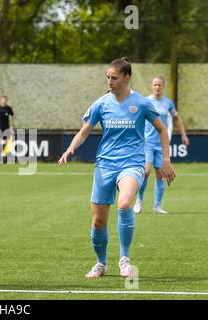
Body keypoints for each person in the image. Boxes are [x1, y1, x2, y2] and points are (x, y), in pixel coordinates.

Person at [58, 58, 175, 278]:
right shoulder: (102, 103)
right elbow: (85, 130)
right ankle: (101, 263)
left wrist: (166, 160)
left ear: (126, 77)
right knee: (98, 221)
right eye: (107, 78)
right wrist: (70, 148)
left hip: (132, 163)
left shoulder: (141, 103)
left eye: (114, 78)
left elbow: (161, 130)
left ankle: (124, 259)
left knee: (123, 204)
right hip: (105, 164)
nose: (109, 82)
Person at [133, 76, 189, 214]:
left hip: (161, 144)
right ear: (152, 86)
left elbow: (176, 118)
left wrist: (183, 134)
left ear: (163, 86)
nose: (157, 87)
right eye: (155, 85)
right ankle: (139, 200)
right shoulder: (145, 101)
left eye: (160, 85)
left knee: (160, 174)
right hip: (147, 142)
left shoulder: (168, 103)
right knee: (145, 172)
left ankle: (157, 206)